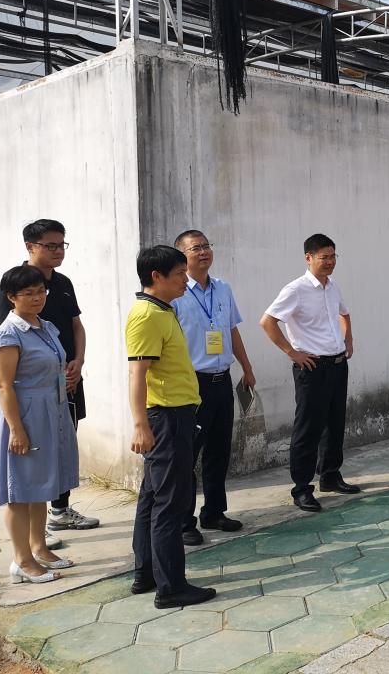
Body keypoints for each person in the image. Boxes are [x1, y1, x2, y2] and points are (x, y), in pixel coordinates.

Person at [0, 219, 98, 550]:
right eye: (50, 245)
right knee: (31, 462)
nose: (58, 251)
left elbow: (76, 325)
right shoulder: (15, 283)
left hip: (65, 378)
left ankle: (59, 509)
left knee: (63, 443)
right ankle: (29, 542)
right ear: (31, 247)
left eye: (61, 245)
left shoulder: (63, 283)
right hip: (34, 390)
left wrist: (78, 361)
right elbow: (11, 355)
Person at [126, 246, 215, 609]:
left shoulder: (163, 309)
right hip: (167, 418)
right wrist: (140, 425)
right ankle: (171, 587)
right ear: (156, 277)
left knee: (152, 497)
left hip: (174, 414)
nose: (185, 279)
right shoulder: (147, 315)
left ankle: (147, 573)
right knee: (170, 503)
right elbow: (137, 374)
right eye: (179, 274)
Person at [0, 265, 79, 584]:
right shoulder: (8, 334)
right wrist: (16, 429)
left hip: (52, 410)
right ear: (11, 297)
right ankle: (22, 561)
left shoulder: (46, 326)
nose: (37, 298)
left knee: (43, 485)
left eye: (41, 291)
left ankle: (39, 547)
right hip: (26, 415)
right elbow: (4, 385)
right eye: (28, 293)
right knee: (21, 490)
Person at [260, 234, 359, 513]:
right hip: (312, 367)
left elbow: (344, 314)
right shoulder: (296, 289)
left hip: (338, 364)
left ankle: (330, 475)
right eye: (324, 257)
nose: (330, 262)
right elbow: (267, 322)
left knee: (335, 422)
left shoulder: (333, 286)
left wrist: (348, 340)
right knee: (308, 428)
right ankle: (302, 488)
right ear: (309, 258)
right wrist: (292, 353)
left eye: (333, 256)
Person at [171, 230, 256, 546]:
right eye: (196, 248)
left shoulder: (223, 288)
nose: (204, 252)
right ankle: (184, 521)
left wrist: (246, 367)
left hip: (222, 380)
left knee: (219, 451)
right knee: (187, 454)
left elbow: (231, 329)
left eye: (206, 246)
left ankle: (214, 512)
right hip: (192, 383)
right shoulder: (177, 293)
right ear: (182, 255)